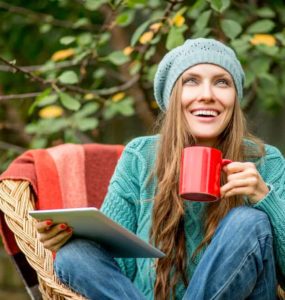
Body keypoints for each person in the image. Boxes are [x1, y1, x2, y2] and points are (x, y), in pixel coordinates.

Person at [35, 38, 285, 300]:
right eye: (191, 81)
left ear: (235, 98)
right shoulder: (140, 157)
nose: (207, 94)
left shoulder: (266, 162)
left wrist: (264, 198)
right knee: (74, 255)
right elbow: (117, 262)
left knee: (248, 222)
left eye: (222, 82)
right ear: (172, 96)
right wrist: (63, 238)